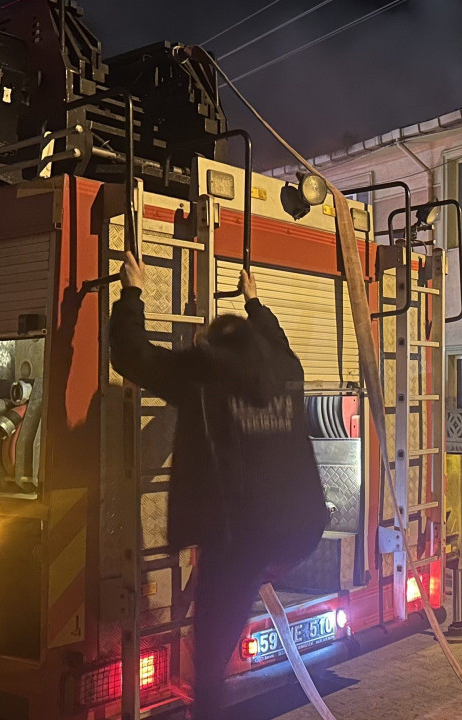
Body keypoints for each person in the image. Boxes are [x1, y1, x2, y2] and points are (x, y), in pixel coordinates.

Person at [109, 252, 329, 719]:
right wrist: (255, 302)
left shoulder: (204, 374)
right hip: (300, 531)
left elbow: (132, 356)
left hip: (240, 536)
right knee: (235, 589)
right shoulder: (287, 368)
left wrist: (131, 292)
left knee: (209, 662)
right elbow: (277, 337)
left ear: (207, 346)